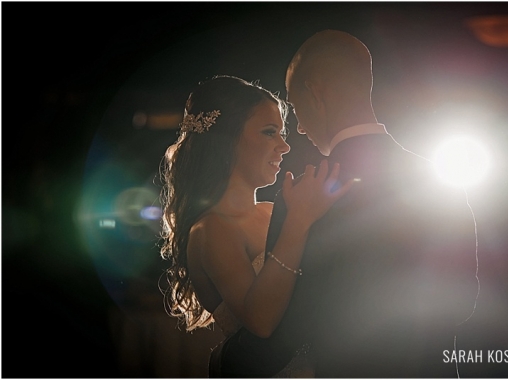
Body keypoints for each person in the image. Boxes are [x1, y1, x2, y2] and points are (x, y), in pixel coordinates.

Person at [218, 30, 479, 377]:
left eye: (294, 108)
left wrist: (225, 362)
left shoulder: (304, 196)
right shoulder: (442, 182)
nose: (296, 128)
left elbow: (285, 329)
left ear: (315, 92)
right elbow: (465, 303)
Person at [158, 75, 353, 377]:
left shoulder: (272, 211)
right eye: (269, 132)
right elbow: (261, 321)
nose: (285, 146)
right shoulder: (210, 230)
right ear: (227, 138)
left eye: (282, 133)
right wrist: (298, 221)